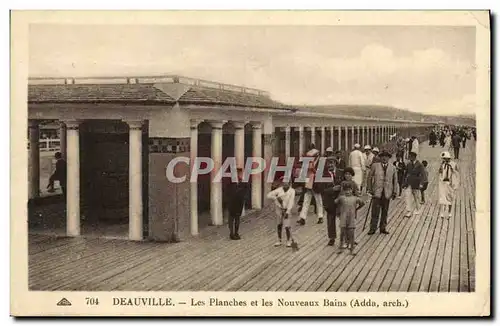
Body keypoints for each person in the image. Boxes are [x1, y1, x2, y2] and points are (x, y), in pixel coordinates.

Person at [366, 150, 398, 235]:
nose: (384, 158)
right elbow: (369, 178)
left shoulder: (393, 167)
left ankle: (383, 227)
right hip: (377, 192)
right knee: (375, 211)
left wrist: (394, 192)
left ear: (389, 158)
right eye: (382, 156)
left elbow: (395, 181)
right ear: (380, 158)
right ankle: (373, 228)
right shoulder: (375, 166)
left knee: (385, 211)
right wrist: (370, 189)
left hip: (387, 192)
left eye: (386, 157)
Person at [335, 182, 365, 256]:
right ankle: (340, 248)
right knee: (342, 233)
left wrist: (356, 209)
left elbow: (362, 203)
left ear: (352, 190)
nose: (348, 192)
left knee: (351, 234)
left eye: (349, 190)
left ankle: (352, 249)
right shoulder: (342, 197)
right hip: (343, 218)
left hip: (351, 218)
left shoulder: (355, 198)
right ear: (344, 191)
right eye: (346, 190)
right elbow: (335, 202)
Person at [297, 144, 324, 225]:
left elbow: (320, 173)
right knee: (306, 200)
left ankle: (320, 216)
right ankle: (303, 218)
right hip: (309, 182)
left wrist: (314, 170)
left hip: (316, 182)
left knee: (318, 200)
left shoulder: (320, 162)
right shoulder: (309, 161)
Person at [267, 177, 296, 247]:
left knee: (287, 225)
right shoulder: (279, 190)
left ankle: (288, 240)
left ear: (289, 183)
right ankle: (279, 240)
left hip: (287, 209)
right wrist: (276, 198)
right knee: (279, 224)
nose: (285, 184)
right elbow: (268, 195)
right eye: (284, 183)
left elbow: (291, 202)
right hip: (279, 208)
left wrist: (287, 211)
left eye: (287, 183)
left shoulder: (292, 191)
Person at [226, 169, 249, 240]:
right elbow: (226, 192)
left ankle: (236, 232)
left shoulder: (243, 183)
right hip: (231, 203)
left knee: (237, 219)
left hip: (239, 203)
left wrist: (243, 199)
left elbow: (246, 191)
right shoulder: (230, 183)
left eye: (239, 173)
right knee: (231, 219)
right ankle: (231, 233)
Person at [403, 151, 425, 217]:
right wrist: (404, 182)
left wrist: (421, 183)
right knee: (407, 196)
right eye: (409, 156)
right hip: (409, 182)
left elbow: (423, 174)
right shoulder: (408, 164)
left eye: (411, 156)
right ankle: (409, 211)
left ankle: (418, 209)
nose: (410, 158)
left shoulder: (420, 164)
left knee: (416, 197)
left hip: (416, 183)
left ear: (414, 157)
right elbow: (405, 173)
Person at [438, 151, 460, 218]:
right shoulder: (443, 164)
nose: (444, 160)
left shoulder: (454, 164)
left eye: (445, 158)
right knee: (442, 197)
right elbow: (440, 172)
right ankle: (442, 212)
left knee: (450, 197)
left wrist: (455, 183)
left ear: (448, 158)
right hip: (443, 183)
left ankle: (450, 212)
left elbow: (457, 174)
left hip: (450, 183)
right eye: (443, 159)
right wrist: (441, 166)